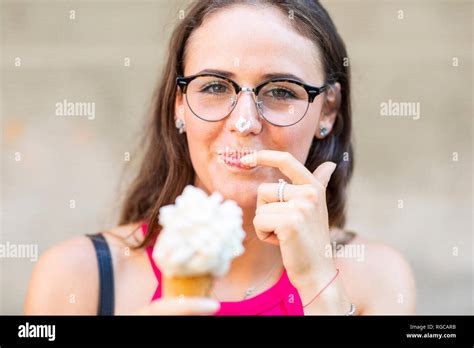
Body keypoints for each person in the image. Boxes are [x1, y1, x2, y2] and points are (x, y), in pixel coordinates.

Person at [24, 0, 416, 315]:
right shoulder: (79, 278)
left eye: (281, 91)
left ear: (327, 112)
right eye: (213, 86)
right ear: (179, 105)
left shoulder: (377, 277)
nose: (244, 122)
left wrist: (320, 289)